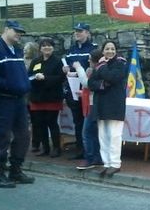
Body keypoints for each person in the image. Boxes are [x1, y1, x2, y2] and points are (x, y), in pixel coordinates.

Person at [0, 20, 35, 188]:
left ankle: (15, 169)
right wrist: (9, 86)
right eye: (16, 31)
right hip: (3, 100)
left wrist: (23, 85)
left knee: (23, 136)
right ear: (6, 30)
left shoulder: (17, 51)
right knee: (2, 137)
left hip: (19, 101)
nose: (19, 34)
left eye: (21, 32)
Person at [88, 40, 128, 178]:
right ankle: (106, 163)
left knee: (114, 135)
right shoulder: (99, 65)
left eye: (112, 49)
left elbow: (113, 77)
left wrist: (102, 68)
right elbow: (91, 83)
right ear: (103, 51)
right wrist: (104, 84)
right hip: (101, 104)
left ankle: (115, 164)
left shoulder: (120, 63)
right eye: (107, 49)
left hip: (115, 104)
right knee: (103, 135)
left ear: (116, 51)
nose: (110, 51)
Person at [63, 22, 96, 160]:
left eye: (80, 31)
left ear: (87, 33)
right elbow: (69, 69)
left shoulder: (94, 49)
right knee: (77, 121)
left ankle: (90, 150)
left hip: (87, 91)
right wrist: (66, 70)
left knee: (89, 122)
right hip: (73, 90)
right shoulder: (71, 50)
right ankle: (80, 149)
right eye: (76, 31)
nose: (77, 33)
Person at [28, 37, 65, 157]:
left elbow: (60, 78)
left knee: (52, 122)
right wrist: (35, 77)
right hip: (37, 98)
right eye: (44, 46)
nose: (46, 47)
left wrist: (45, 78)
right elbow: (29, 76)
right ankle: (45, 148)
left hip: (52, 97)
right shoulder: (35, 61)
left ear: (53, 48)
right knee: (40, 123)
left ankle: (56, 148)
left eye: (49, 45)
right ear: (40, 49)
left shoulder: (58, 61)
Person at [73, 49, 104, 169]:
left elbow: (87, 83)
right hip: (92, 103)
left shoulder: (95, 70)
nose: (88, 60)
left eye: (90, 58)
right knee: (93, 133)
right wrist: (83, 93)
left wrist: (78, 68)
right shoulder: (94, 70)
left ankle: (90, 158)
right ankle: (97, 158)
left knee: (86, 133)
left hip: (92, 105)